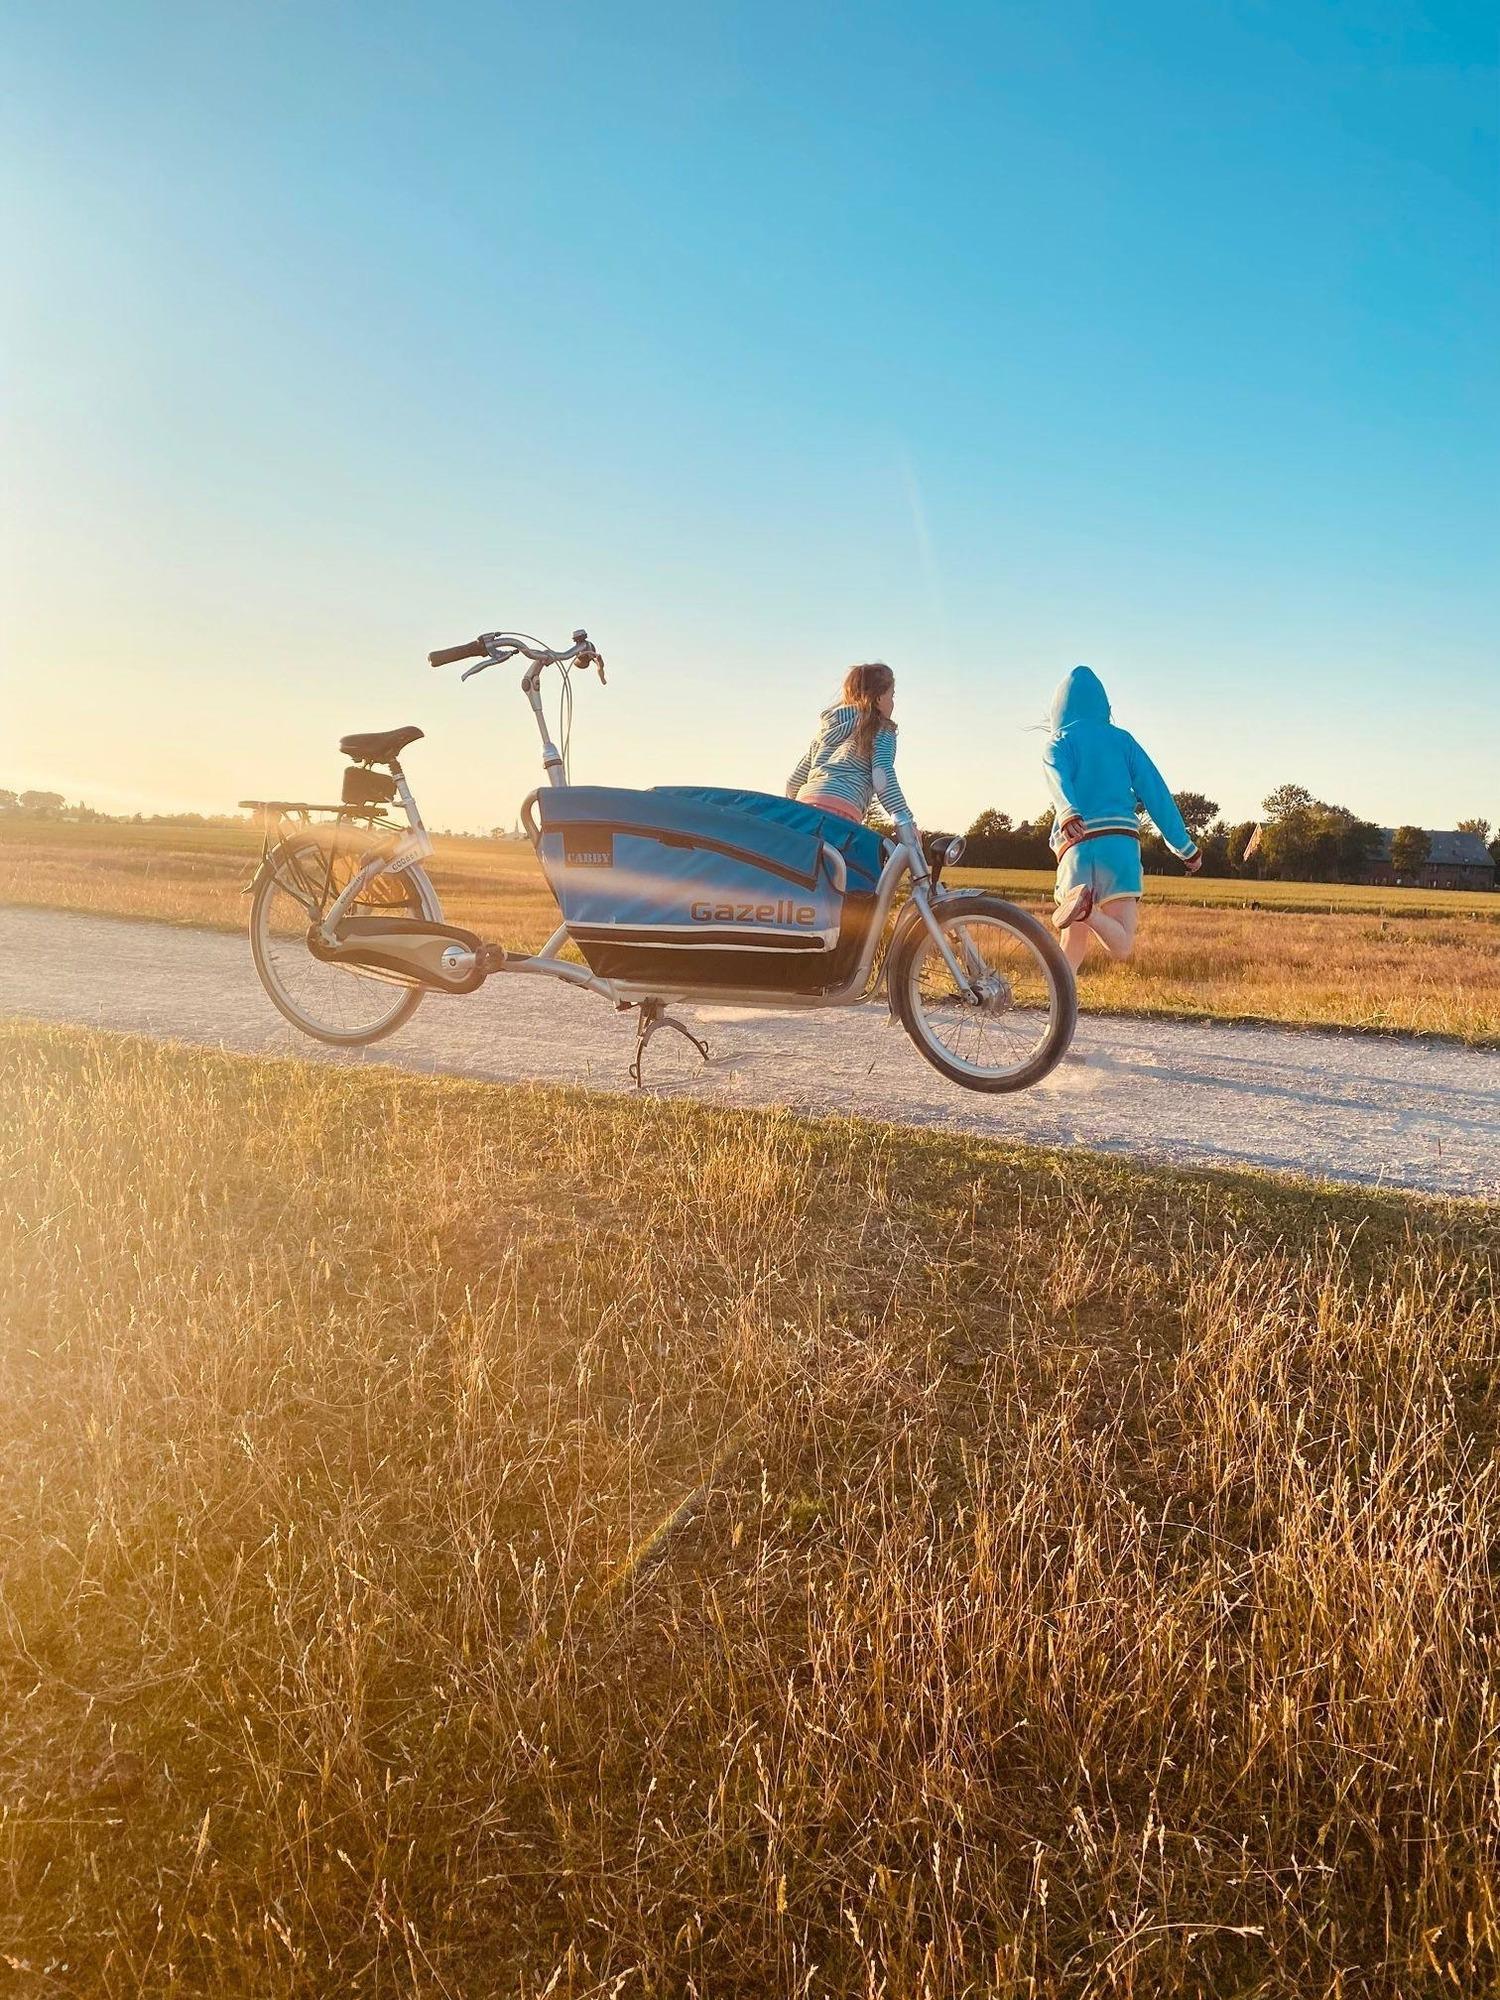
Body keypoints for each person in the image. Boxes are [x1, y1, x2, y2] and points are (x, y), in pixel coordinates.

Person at [1042, 664, 1201, 969]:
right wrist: (1184, 847)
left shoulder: (1058, 742)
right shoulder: (1123, 741)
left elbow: (1056, 778)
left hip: (1074, 844)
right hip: (1118, 846)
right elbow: (1156, 793)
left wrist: (1068, 811)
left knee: (1071, 944)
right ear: (1105, 707)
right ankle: (1089, 912)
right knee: (1123, 945)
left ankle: (1058, 1002)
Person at [785, 662, 916, 834]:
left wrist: (794, 808)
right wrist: (906, 821)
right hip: (843, 806)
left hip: (805, 806)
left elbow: (794, 782)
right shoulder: (881, 728)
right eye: (892, 696)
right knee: (841, 850)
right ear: (878, 699)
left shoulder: (826, 730)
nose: (892, 703)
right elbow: (881, 776)